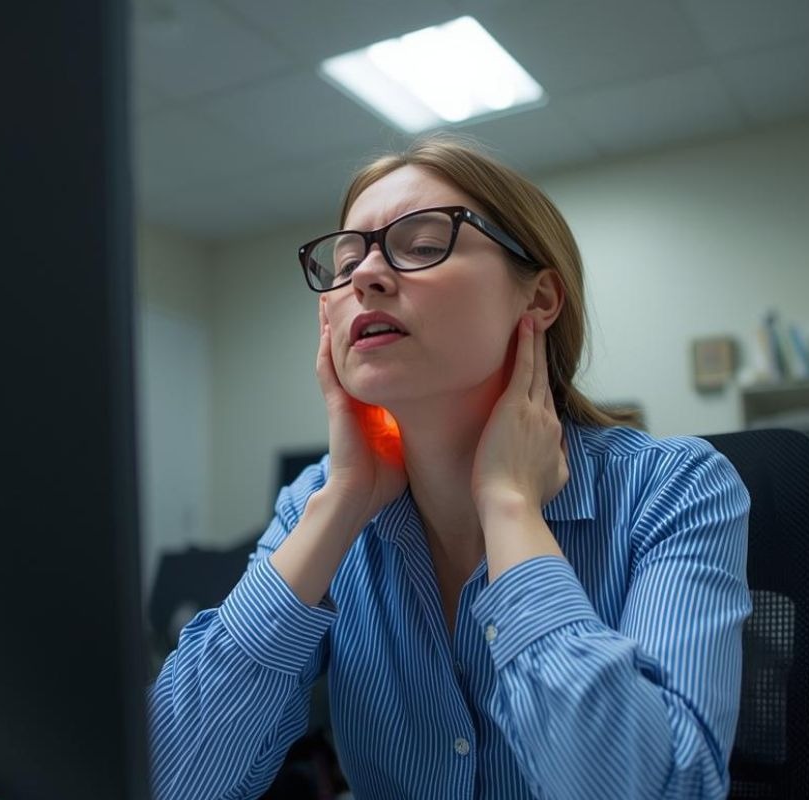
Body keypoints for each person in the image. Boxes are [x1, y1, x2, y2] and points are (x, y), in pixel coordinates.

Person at [149, 134, 751, 800]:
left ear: (539, 298)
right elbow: (170, 781)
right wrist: (343, 501)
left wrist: (511, 509)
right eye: (346, 261)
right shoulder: (313, 504)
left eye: (423, 245)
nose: (366, 276)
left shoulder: (674, 488)